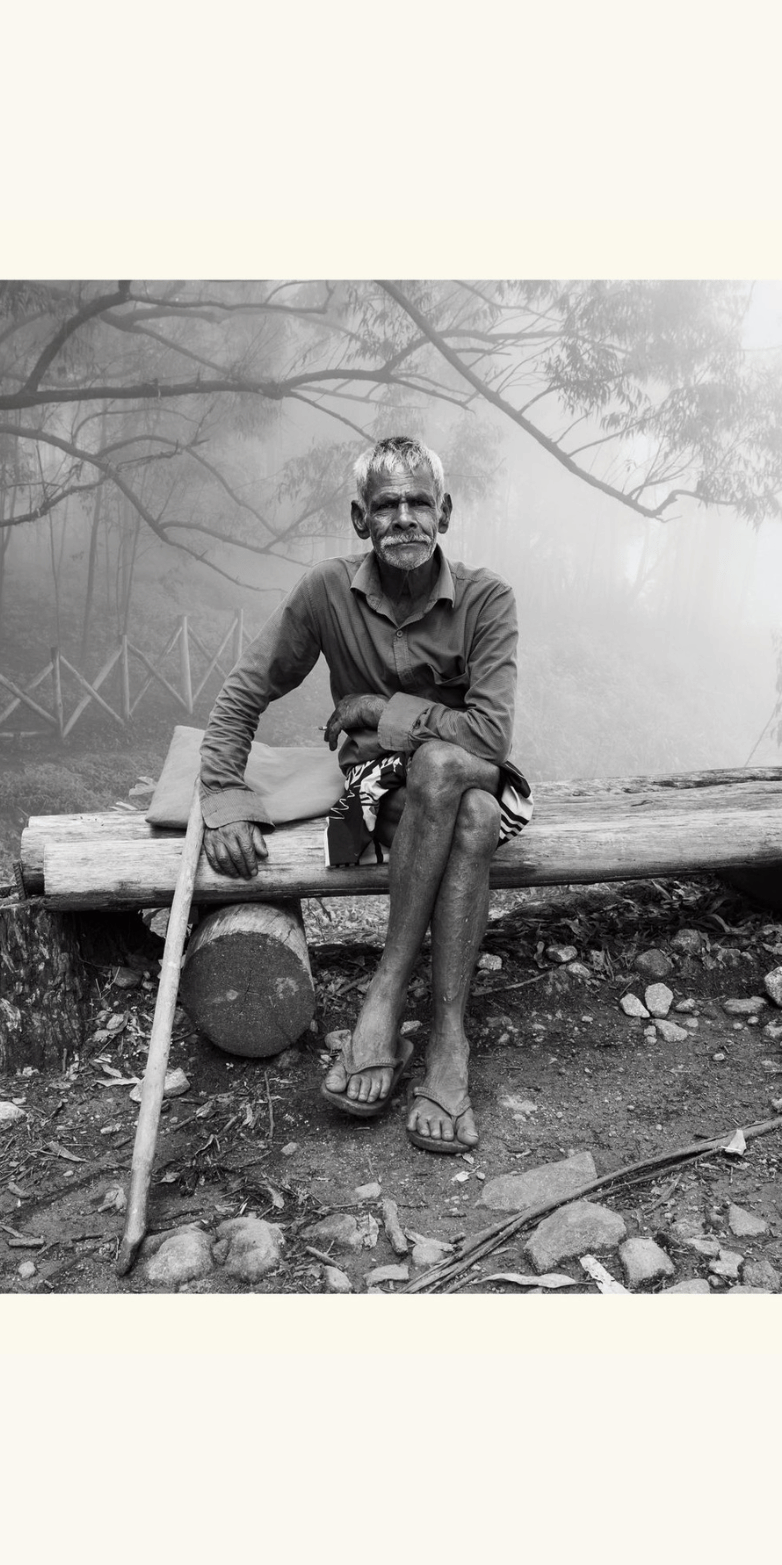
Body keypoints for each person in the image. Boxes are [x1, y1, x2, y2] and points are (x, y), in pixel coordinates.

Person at [198, 436, 530, 1154]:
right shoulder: (326, 591)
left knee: (449, 771)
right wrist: (224, 791)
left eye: (419, 503)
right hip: (385, 795)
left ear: (445, 513)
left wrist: (381, 711)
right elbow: (246, 689)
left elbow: (491, 737)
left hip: (469, 769)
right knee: (465, 810)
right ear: (360, 519)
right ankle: (446, 1040)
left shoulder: (487, 598)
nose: (405, 518)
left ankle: (385, 997)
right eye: (387, 505)